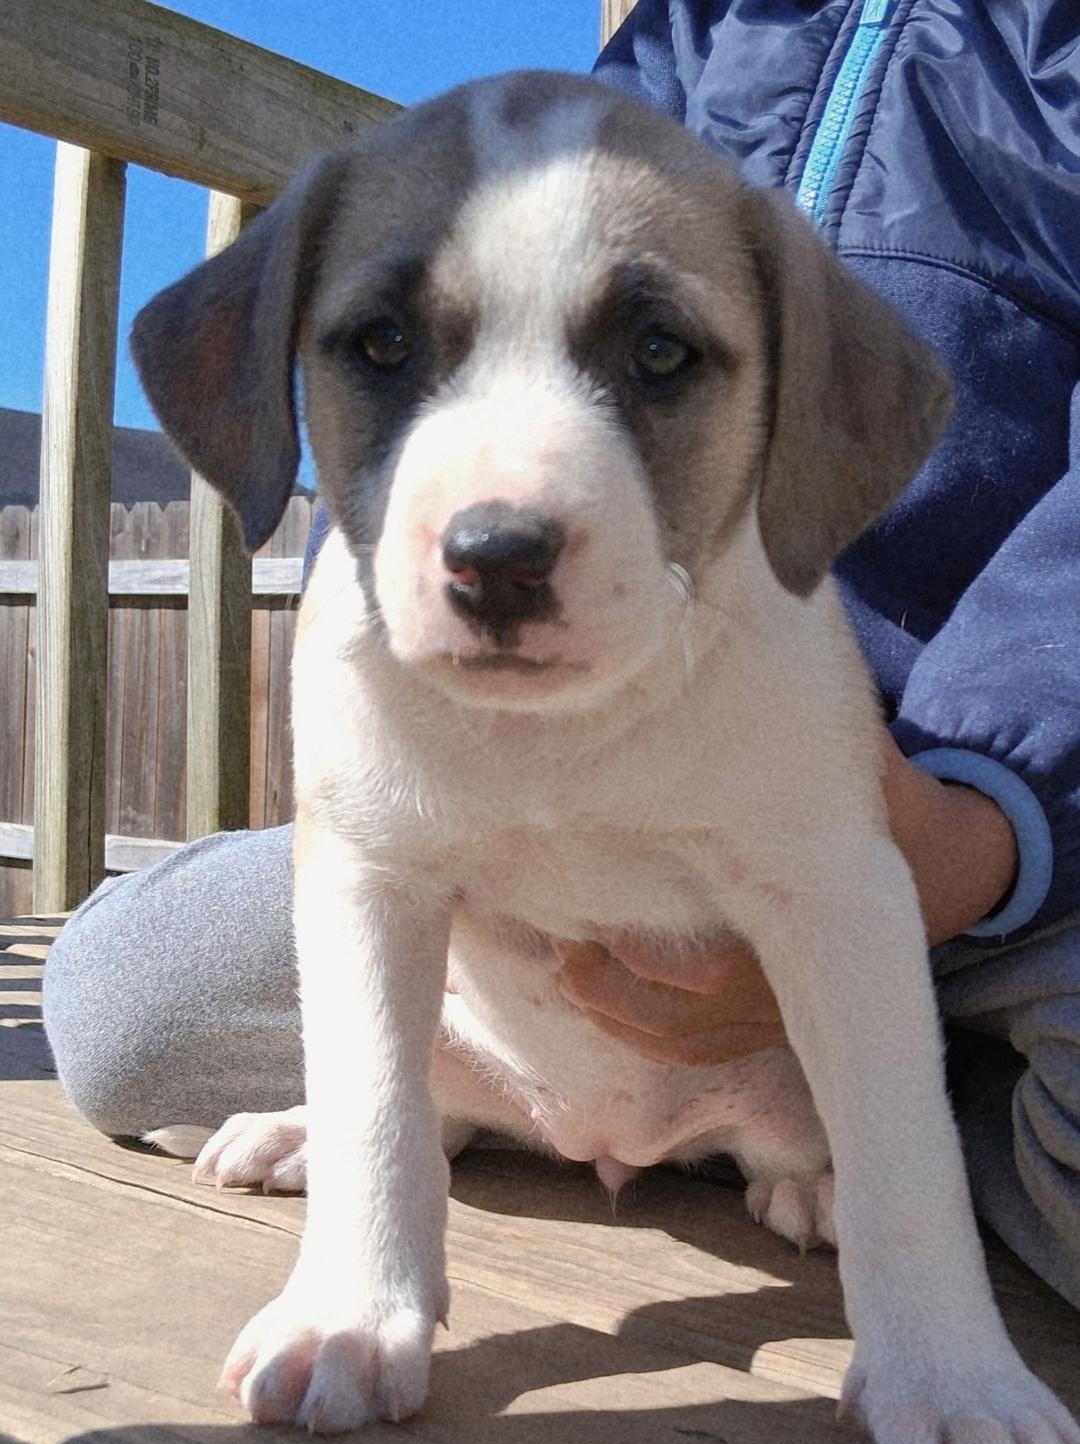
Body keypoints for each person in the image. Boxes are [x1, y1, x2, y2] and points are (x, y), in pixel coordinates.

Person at [43, 0, 1080, 1310]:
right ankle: (460, 1109)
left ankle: (872, 1107)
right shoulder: (693, 35)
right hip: (507, 901)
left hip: (951, 823)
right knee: (125, 1001)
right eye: (387, 347)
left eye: (658, 353)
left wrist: (987, 817)